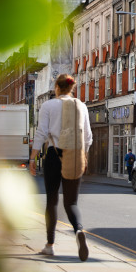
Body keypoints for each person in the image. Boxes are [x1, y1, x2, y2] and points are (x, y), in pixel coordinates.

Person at [29, 74, 92, 260]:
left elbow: (41, 133)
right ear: (71, 88)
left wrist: (32, 158)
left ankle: (50, 245)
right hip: (75, 156)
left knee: (52, 200)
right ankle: (79, 230)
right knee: (71, 202)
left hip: (54, 157)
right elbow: (88, 137)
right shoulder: (82, 106)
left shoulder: (48, 106)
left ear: (57, 87)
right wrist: (85, 157)